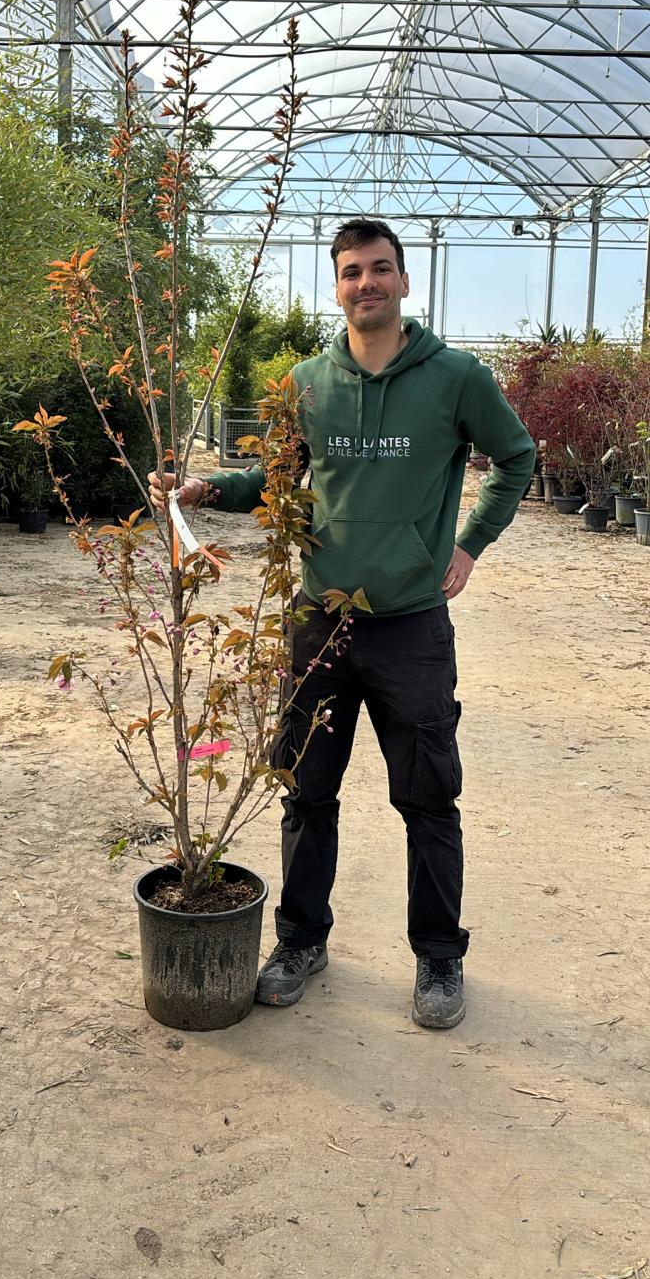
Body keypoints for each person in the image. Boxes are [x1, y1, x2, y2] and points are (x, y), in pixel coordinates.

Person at [149, 218, 534, 1029]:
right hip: (317, 623)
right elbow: (276, 478)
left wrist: (469, 545)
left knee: (429, 798)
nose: (367, 283)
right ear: (337, 287)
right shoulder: (308, 383)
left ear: (404, 281)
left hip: (411, 627)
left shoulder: (456, 377)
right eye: (353, 271)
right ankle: (300, 941)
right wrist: (205, 489)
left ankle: (438, 957)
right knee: (305, 792)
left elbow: (516, 457)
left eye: (381, 269)